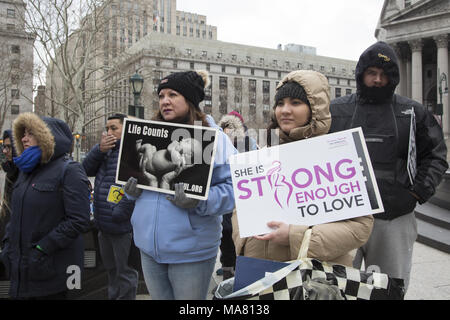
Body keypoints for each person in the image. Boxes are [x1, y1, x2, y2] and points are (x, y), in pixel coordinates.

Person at [329, 41, 448, 290]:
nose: (377, 80)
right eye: (372, 73)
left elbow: (435, 155)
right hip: (342, 218)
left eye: (384, 74)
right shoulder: (336, 110)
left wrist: (416, 193)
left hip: (394, 219)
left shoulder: (412, 111)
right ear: (361, 73)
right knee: (334, 288)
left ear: (393, 77)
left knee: (388, 289)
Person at [232, 70, 374, 267]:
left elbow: (360, 227)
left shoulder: (337, 157)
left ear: (315, 109)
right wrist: (244, 242)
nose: (285, 110)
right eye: (280, 104)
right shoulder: (263, 154)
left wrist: (295, 236)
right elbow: (241, 210)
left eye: (295, 103)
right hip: (258, 272)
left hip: (313, 279)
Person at [123, 70, 236, 300]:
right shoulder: (146, 135)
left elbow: (235, 189)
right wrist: (132, 192)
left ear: (190, 100)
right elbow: (141, 183)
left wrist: (199, 201)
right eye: (161, 95)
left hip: (192, 252)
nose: (165, 100)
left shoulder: (216, 139)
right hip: (148, 248)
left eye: (173, 94)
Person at [0, 112, 90, 299]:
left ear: (47, 137)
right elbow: (16, 215)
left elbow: (78, 221)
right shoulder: (26, 171)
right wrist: (8, 246)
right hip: (20, 272)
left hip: (51, 273)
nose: (24, 138)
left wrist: (42, 248)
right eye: (23, 134)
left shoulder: (69, 170)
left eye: (30, 133)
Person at [82, 113, 139, 300]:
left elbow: (135, 188)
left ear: (126, 128)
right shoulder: (104, 151)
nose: (109, 132)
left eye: (114, 128)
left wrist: (119, 213)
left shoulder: (133, 152)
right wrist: (98, 150)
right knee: (110, 270)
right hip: (103, 224)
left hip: (121, 225)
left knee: (125, 271)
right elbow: (84, 170)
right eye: (106, 129)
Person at [216, 111, 259, 280]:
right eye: (225, 129)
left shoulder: (248, 143)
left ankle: (239, 270)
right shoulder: (218, 143)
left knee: (240, 234)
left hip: (244, 197)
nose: (228, 133)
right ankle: (228, 270)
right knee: (225, 233)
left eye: (232, 129)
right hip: (225, 193)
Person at [0, 130, 19, 243]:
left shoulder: (24, 174)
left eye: (9, 147)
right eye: (4, 147)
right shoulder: (10, 173)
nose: (4, 151)